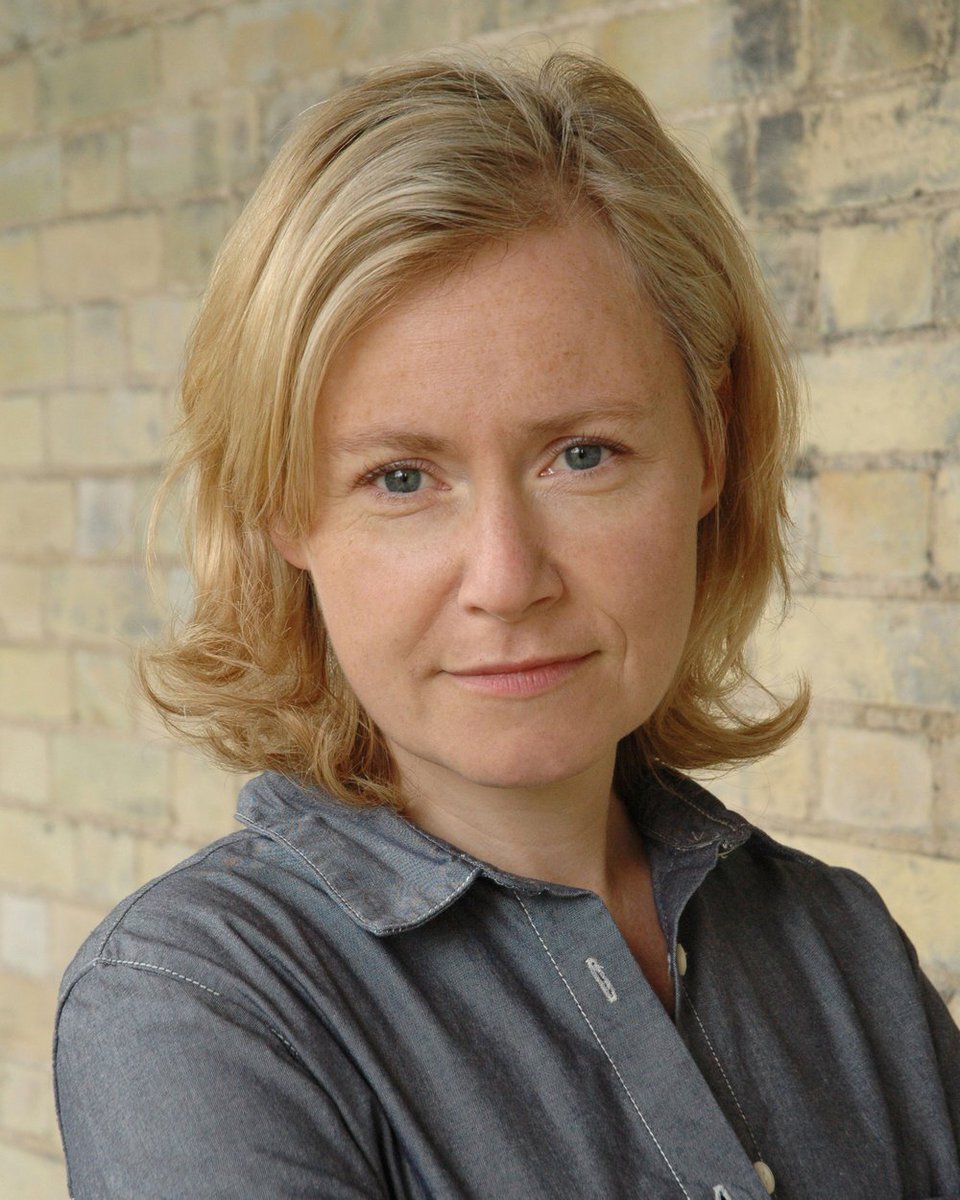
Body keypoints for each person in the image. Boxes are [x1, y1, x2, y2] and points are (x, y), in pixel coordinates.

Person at [54, 50, 959, 1199]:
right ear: (281, 507)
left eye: (582, 454)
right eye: (400, 478)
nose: (506, 578)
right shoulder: (201, 1008)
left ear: (711, 448)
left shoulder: (845, 948)